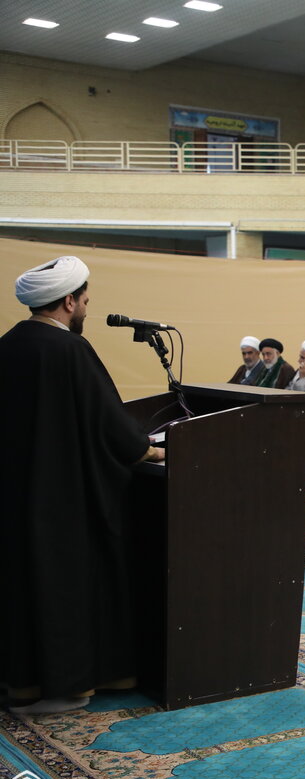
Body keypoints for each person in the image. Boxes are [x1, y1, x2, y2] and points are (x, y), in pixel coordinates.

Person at [3, 256, 164, 714]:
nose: (87, 310)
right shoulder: (69, 349)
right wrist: (149, 450)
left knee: (22, 587)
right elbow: (108, 422)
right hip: (65, 499)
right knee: (65, 588)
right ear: (69, 301)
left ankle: (24, 684)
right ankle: (69, 689)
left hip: (15, 497)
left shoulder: (7, 345)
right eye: (86, 302)